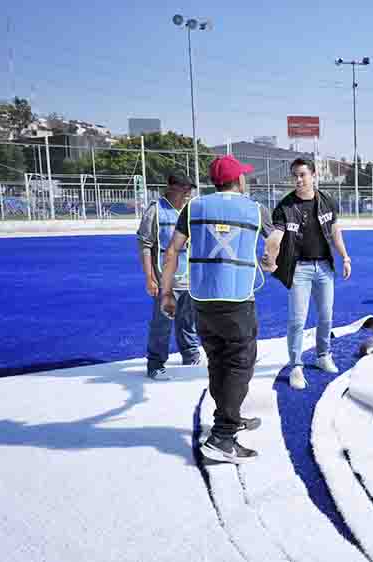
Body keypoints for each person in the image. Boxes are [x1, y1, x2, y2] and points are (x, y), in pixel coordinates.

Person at [160, 155, 281, 464]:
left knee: (218, 361)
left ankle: (230, 416)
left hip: (202, 299)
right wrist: (270, 260)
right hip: (237, 299)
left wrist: (166, 292)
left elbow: (173, 249)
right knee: (240, 364)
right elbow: (276, 237)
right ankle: (223, 436)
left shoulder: (194, 207)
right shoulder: (255, 209)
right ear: (238, 180)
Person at [271, 158, 351, 390]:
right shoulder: (285, 206)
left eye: (302, 175)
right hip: (299, 270)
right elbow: (277, 235)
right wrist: (271, 253)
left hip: (324, 267)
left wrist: (345, 256)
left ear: (313, 175)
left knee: (326, 316)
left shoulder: (327, 201)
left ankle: (322, 354)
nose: (298, 179)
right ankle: (296, 365)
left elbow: (335, 231)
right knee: (297, 320)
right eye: (295, 175)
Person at [136, 173, 201, 381]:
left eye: (189, 189)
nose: (187, 193)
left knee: (188, 321)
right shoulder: (156, 211)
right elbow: (145, 245)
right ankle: (155, 364)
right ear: (170, 187)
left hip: (189, 279)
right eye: (184, 188)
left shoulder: (191, 210)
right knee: (162, 324)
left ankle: (191, 356)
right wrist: (149, 278)